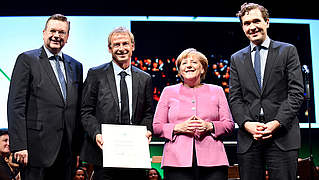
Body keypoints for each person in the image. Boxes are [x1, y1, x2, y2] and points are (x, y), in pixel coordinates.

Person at [229, 3, 305, 180]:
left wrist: (277, 122)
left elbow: (296, 92)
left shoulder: (287, 51)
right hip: (250, 139)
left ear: (267, 22)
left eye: (256, 21)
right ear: (242, 27)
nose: (252, 27)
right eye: (247, 23)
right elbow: (235, 98)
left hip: (282, 136)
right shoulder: (236, 58)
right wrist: (247, 124)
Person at [7, 14, 83, 180]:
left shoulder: (76, 66)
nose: (57, 35)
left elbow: (76, 110)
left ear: (67, 37)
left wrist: (77, 150)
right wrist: (19, 145)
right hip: (36, 150)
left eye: (62, 32)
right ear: (44, 33)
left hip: (67, 152)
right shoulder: (27, 60)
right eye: (53, 31)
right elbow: (16, 105)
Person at [80, 26, 154, 180]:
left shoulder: (145, 78)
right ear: (109, 48)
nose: (121, 48)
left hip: (135, 156)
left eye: (125, 44)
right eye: (116, 44)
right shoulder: (95, 74)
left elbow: (148, 113)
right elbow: (86, 112)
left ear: (132, 46)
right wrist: (96, 134)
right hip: (104, 154)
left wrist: (147, 130)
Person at [153, 48, 234, 180]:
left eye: (194, 62)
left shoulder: (217, 91)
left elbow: (229, 125)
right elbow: (157, 126)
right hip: (176, 161)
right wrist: (179, 127)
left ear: (202, 69)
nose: (189, 65)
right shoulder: (168, 92)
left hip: (214, 161)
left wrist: (210, 126)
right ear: (179, 71)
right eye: (184, 63)